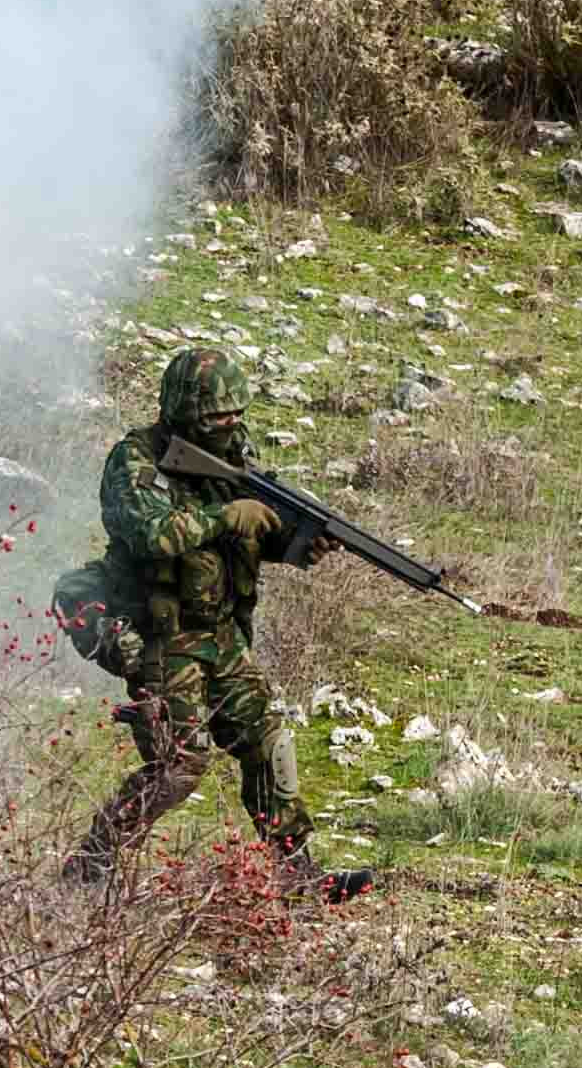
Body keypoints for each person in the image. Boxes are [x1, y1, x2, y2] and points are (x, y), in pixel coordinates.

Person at [62, 347, 364, 896]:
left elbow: (249, 532)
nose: (229, 425)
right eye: (216, 416)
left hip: (222, 636)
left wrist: (295, 542)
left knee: (267, 743)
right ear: (181, 408)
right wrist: (224, 516)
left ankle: (298, 876)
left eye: (235, 413)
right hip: (162, 638)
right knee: (180, 765)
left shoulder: (230, 453)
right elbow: (150, 534)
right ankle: (92, 864)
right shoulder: (134, 460)